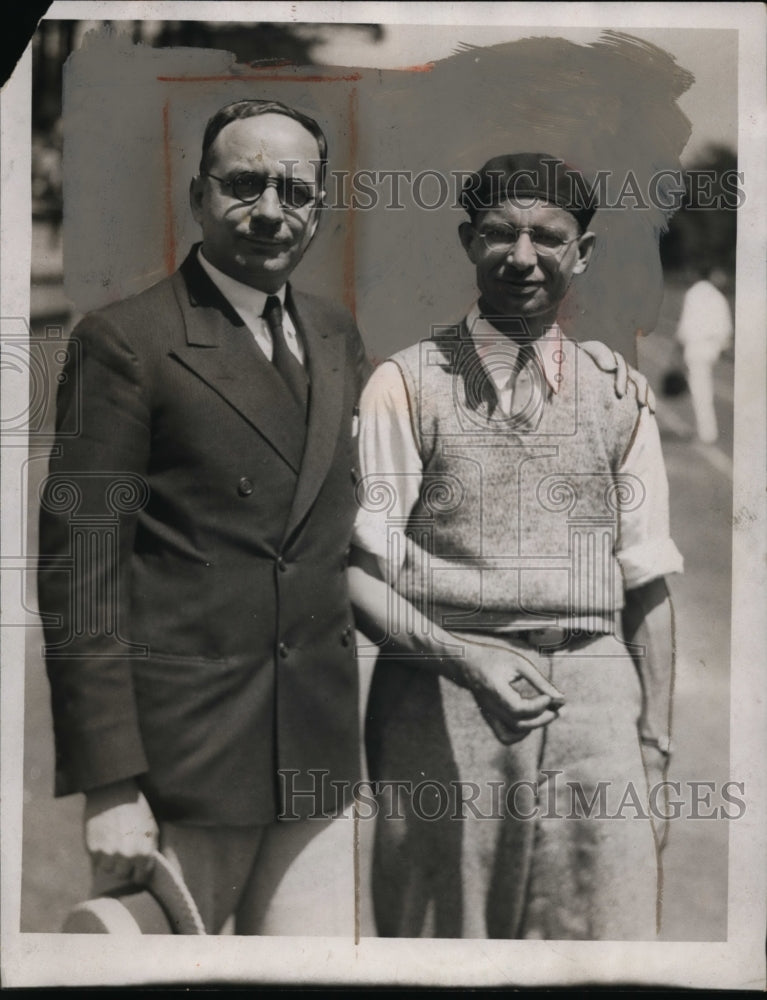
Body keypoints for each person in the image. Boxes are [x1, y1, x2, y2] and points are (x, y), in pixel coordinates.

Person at [37, 99, 370, 935]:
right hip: (185, 761)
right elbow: (82, 575)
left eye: (293, 191)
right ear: (197, 195)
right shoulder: (126, 342)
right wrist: (111, 783)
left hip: (316, 751)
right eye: (244, 184)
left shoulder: (333, 335)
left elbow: (334, 539)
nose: (269, 211)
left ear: (319, 210)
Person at [349, 153, 683, 940]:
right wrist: (464, 659)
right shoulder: (404, 382)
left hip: (596, 707)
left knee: (602, 945)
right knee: (441, 946)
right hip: (440, 694)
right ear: (468, 242)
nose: (522, 256)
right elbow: (361, 575)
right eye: (499, 234)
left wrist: (655, 752)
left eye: (546, 236)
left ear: (583, 252)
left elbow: (648, 579)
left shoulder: (616, 392)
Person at [674, 266, 733, 444]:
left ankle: (706, 432)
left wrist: (679, 347)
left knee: (700, 390)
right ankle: (706, 430)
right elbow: (726, 328)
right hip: (711, 348)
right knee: (704, 387)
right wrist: (721, 346)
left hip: (696, 347)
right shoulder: (718, 296)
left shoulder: (693, 294)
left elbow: (686, 325)